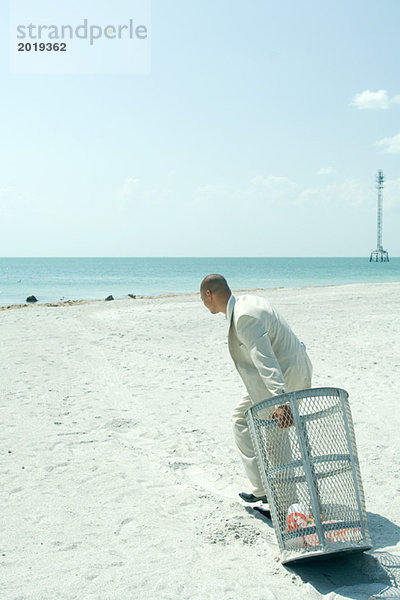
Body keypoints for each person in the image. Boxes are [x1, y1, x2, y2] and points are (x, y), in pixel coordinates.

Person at [200, 273, 312, 504]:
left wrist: (281, 402)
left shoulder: (243, 317)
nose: (203, 303)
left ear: (209, 295)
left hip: (283, 378)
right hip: (288, 370)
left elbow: (266, 360)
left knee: (276, 442)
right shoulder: (246, 302)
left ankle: (285, 508)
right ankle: (261, 490)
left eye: (202, 298)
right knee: (241, 419)